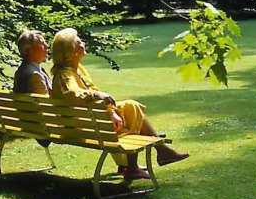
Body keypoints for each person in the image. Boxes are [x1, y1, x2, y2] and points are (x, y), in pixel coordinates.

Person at [49, 27, 189, 182]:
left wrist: (110, 110)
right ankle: (144, 161)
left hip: (89, 122)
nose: (84, 43)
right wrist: (98, 96)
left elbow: (89, 97)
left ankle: (157, 154)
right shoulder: (65, 75)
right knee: (130, 117)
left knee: (131, 106)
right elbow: (73, 94)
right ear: (72, 50)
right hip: (85, 128)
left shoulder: (76, 70)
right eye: (79, 42)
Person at [12, 29, 51, 94]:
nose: (46, 46)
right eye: (42, 44)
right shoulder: (35, 76)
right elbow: (44, 103)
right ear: (28, 50)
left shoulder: (21, 71)